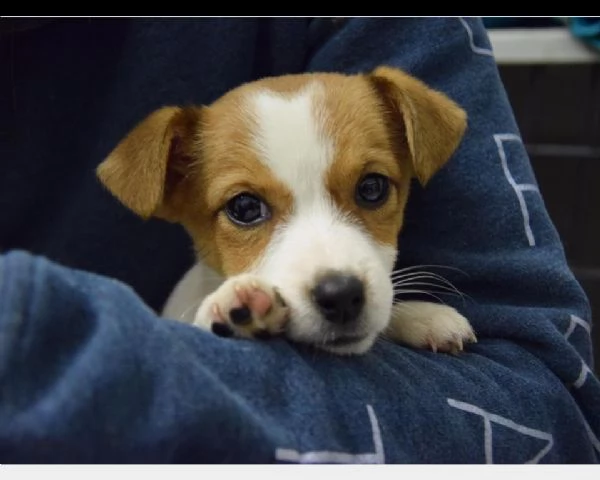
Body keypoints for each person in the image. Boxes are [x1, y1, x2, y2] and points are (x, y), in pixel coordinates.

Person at [0, 17, 598, 463]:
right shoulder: (183, 324)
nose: (335, 275)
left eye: (369, 190)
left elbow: (553, 402)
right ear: (176, 191)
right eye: (246, 208)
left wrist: (393, 317)